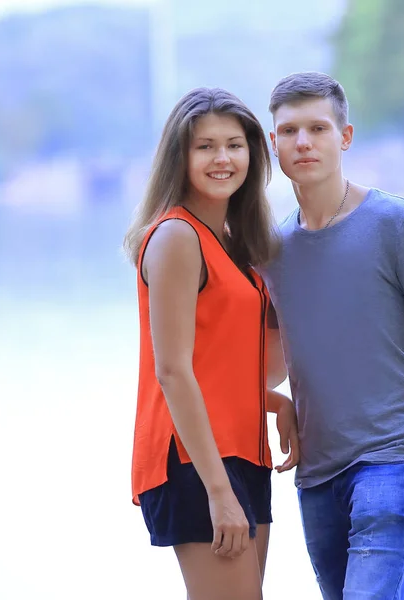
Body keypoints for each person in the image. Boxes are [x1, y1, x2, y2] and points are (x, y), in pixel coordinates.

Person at [261, 72, 404, 600]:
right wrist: (275, 402)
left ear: (346, 137)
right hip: (315, 475)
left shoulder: (393, 222)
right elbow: (274, 366)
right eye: (289, 131)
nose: (303, 142)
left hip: (392, 459)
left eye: (317, 128)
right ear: (273, 145)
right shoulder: (273, 250)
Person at [123, 87, 298, 600]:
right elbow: (172, 371)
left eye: (234, 145)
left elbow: (220, 362)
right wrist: (218, 491)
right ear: (180, 156)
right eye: (205, 146)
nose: (222, 158)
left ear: (253, 155)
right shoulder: (178, 236)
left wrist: (273, 400)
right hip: (196, 462)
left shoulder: (232, 243)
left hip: (243, 452)